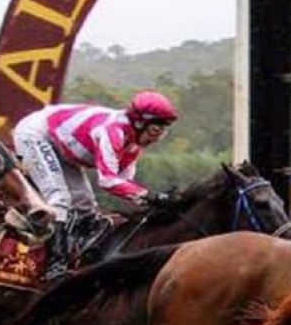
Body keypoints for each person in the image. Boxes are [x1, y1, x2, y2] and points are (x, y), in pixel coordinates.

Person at [12, 90, 178, 278]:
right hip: (35, 134)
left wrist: (153, 202)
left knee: (85, 204)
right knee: (59, 198)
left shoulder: (133, 144)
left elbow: (126, 185)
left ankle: (72, 256)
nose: (156, 138)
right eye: (155, 130)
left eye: (163, 132)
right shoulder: (113, 131)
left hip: (59, 145)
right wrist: (150, 196)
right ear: (139, 123)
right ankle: (54, 265)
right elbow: (107, 181)